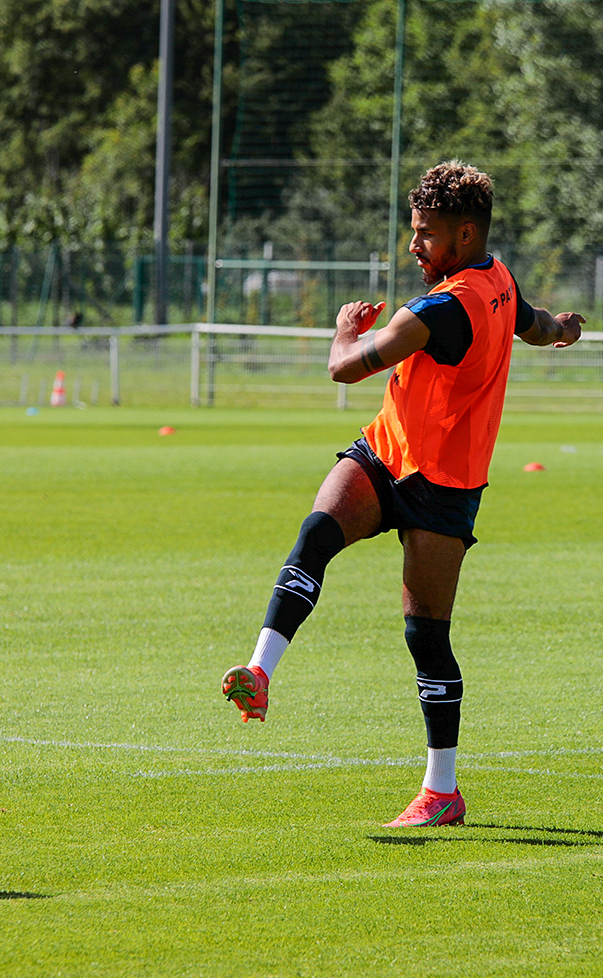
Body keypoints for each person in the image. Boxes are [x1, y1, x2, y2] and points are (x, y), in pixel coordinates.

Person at [220, 160, 584, 827]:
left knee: (426, 636)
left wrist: (343, 330)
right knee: (316, 533)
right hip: (389, 453)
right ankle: (260, 670)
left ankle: (440, 790)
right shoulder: (495, 277)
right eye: (414, 232)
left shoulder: (440, 310)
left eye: (426, 235)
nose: (413, 247)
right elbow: (529, 322)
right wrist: (560, 330)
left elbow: (343, 368)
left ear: (465, 235)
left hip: (445, 484)